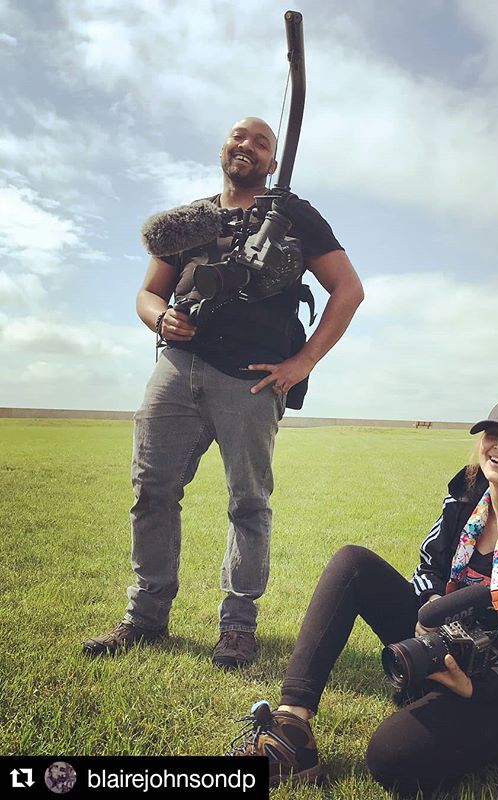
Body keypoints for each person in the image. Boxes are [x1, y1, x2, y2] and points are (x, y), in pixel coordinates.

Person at [83, 117, 364, 668]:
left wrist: (301, 362)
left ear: (273, 161)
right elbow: (146, 294)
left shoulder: (296, 215)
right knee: (152, 491)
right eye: (241, 136)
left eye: (263, 142)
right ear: (223, 147)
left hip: (252, 382)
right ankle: (145, 617)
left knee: (248, 504)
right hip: (177, 369)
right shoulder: (190, 219)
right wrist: (161, 319)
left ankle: (237, 627)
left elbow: (348, 289)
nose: (249, 146)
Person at [227, 393, 498, 796]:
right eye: (494, 433)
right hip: (445, 647)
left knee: (391, 755)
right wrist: (427, 616)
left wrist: (477, 686)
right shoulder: (466, 499)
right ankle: (291, 726)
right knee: (352, 564)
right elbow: (427, 572)